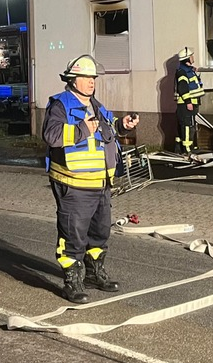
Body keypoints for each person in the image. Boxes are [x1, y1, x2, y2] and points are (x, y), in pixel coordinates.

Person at [42, 54, 139, 303]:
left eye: (93, 77)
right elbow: (51, 136)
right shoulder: (60, 105)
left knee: (99, 233)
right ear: (72, 80)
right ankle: (72, 282)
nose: (91, 81)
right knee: (73, 236)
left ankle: (94, 274)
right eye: (86, 77)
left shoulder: (96, 105)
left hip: (101, 184)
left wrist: (123, 125)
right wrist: (83, 129)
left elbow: (109, 128)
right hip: (73, 184)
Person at [174, 47, 204, 153]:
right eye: (191, 56)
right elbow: (183, 87)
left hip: (191, 102)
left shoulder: (188, 70)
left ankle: (179, 148)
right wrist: (188, 102)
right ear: (187, 59)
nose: (193, 57)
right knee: (187, 126)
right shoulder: (182, 72)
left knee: (186, 125)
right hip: (186, 104)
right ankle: (187, 149)